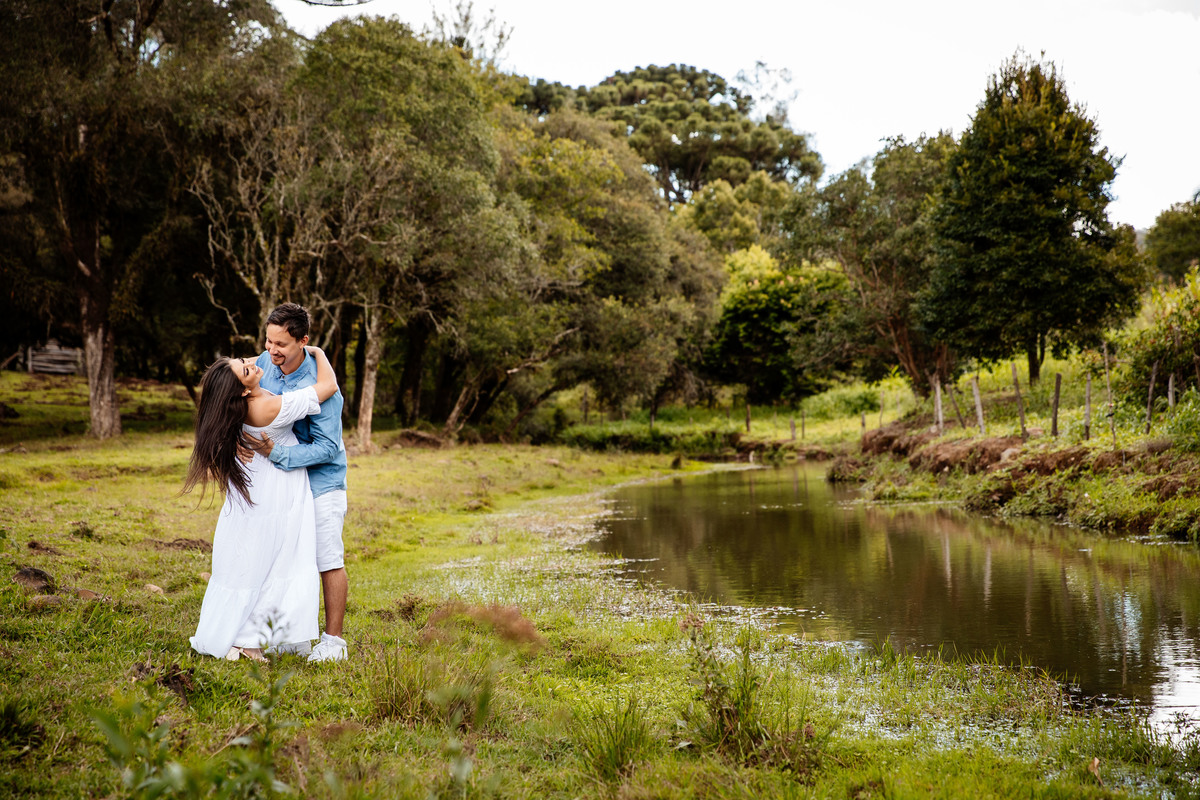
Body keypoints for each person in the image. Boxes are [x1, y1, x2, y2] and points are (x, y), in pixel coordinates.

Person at [185, 346, 338, 661]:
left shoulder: (243, 402)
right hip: (275, 490)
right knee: (270, 562)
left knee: (258, 561)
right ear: (241, 388)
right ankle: (247, 640)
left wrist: (253, 360)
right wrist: (318, 352)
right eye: (245, 368)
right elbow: (327, 388)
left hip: (264, 486)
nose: (252, 363)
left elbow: (248, 367)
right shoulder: (265, 407)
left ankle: (254, 636)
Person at [247, 303, 350, 663]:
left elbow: (326, 447)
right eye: (268, 341)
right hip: (282, 482)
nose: (271, 350)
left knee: (327, 556)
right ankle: (293, 634)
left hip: (321, 481)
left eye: (281, 345)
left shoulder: (322, 387)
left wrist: (275, 452)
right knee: (288, 555)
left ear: (303, 341)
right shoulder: (264, 364)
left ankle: (333, 641)